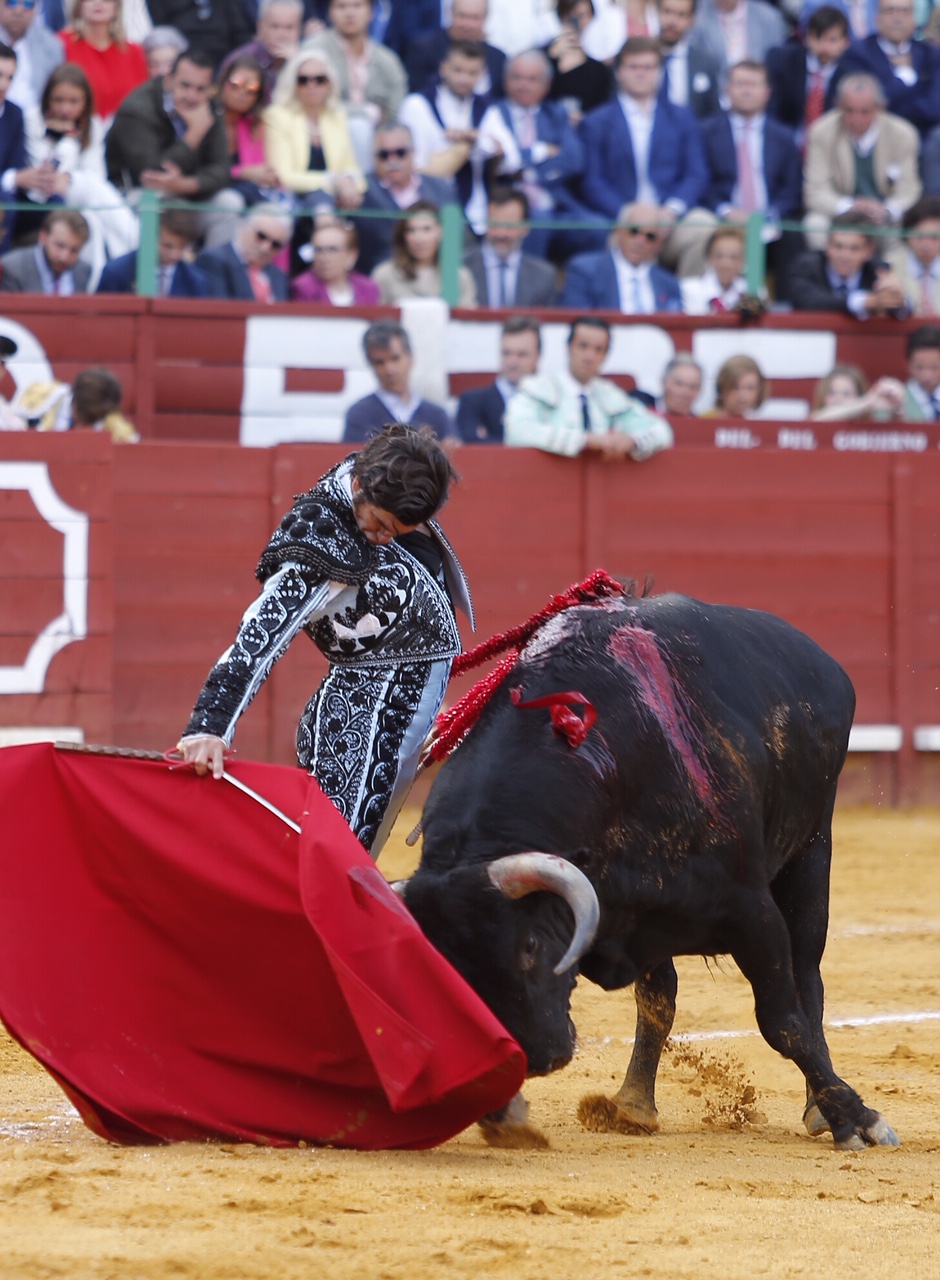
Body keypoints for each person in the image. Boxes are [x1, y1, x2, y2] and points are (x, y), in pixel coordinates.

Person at [178, 426, 471, 857]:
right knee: (337, 860)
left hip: (382, 706)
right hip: (367, 717)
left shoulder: (373, 477)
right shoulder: (319, 547)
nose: (386, 538)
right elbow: (260, 635)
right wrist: (209, 724)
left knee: (336, 855)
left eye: (400, 530)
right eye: (382, 524)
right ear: (359, 485)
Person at [579, 37, 714, 278]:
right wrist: (631, 215)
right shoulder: (596, 121)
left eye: (648, 67)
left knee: (704, 225)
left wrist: (671, 211)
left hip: (669, 220)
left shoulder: (681, 117)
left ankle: (688, 307)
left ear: (660, 72)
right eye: (633, 67)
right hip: (622, 220)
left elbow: (696, 173)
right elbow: (592, 181)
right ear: (619, 72)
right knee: (614, 241)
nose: (641, 74)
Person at [476, 48, 605, 262]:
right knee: (536, 222)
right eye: (517, 78)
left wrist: (525, 171)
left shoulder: (556, 114)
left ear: (546, 85)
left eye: (532, 79)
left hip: (557, 204)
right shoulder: (493, 113)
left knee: (598, 228)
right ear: (505, 80)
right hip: (510, 208)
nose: (523, 85)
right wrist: (541, 151)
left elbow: (574, 160)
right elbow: (500, 163)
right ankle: (534, 290)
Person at [105, 48, 240, 246]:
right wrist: (194, 135)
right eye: (185, 86)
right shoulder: (137, 109)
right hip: (137, 196)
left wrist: (184, 184)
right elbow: (151, 173)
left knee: (229, 203)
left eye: (201, 89)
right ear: (169, 80)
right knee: (150, 198)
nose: (192, 96)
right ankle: (147, 274)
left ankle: (209, 273)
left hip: (187, 193)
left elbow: (222, 169)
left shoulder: (209, 107)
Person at [504, 314, 674, 459]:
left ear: (606, 355)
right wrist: (585, 440)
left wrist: (634, 440)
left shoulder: (609, 395)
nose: (589, 356)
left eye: (598, 349)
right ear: (569, 347)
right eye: (583, 346)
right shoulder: (538, 388)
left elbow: (662, 431)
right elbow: (516, 431)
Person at [24, 63, 138, 278]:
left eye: (73, 101)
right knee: (86, 186)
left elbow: (97, 175)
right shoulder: (32, 120)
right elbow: (48, 178)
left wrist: (69, 174)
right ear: (47, 99)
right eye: (58, 100)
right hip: (42, 199)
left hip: (85, 199)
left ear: (85, 103)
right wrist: (68, 141)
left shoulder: (93, 125)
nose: (65, 109)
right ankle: (138, 244)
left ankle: (93, 286)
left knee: (91, 222)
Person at [699, 59, 803, 270]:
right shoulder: (706, 132)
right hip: (724, 217)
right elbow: (701, 181)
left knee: (794, 240)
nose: (747, 91)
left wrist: (769, 215)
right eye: (740, 84)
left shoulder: (783, 136)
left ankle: (783, 303)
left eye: (753, 85)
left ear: (767, 91)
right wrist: (726, 211)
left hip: (770, 220)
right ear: (727, 89)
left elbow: (792, 189)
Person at [803, 73, 921, 248]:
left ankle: (889, 274)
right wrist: (850, 206)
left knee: (900, 232)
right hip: (839, 213)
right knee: (815, 225)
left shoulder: (902, 134)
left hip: (884, 216)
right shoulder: (821, 131)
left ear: (880, 107)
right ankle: (826, 275)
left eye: (865, 111)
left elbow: (909, 190)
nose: (856, 119)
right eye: (849, 110)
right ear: (838, 105)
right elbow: (815, 190)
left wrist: (886, 210)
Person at [397, 38, 490, 235]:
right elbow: (419, 168)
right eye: (458, 70)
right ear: (444, 68)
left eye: (472, 73)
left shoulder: (485, 107)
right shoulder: (417, 105)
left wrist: (472, 139)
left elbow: (505, 152)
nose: (464, 79)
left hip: (475, 213)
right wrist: (460, 149)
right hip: (426, 210)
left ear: (481, 75)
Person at [305, 0, 408, 171]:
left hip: (377, 141)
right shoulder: (315, 50)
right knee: (358, 125)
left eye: (357, 6)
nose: (349, 13)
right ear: (329, 13)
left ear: (371, 12)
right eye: (342, 6)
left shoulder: (387, 60)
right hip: (321, 134)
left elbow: (395, 111)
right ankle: (367, 188)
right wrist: (366, 112)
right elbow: (312, 103)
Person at [262, 45, 364, 212]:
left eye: (319, 80)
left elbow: (350, 166)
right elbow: (284, 176)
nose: (311, 86)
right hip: (294, 199)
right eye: (303, 80)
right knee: (321, 201)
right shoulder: (277, 115)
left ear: (329, 83)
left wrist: (350, 183)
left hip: (337, 196)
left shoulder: (336, 115)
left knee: (370, 198)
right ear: (293, 83)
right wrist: (333, 181)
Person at [349, 121, 454, 274]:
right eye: (384, 155)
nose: (393, 161)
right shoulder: (361, 190)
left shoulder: (440, 188)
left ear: (413, 152)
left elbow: (454, 241)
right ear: (374, 158)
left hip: (436, 279)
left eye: (400, 153)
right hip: (381, 284)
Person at [828, 0, 940, 138]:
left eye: (904, 11)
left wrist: (890, 104)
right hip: (871, 139)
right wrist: (905, 76)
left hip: (923, 139)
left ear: (913, 19)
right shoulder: (857, 54)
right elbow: (863, 105)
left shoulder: (931, 54)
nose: (897, 18)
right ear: (876, 18)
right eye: (890, 11)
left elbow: (935, 108)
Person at [343, 319, 457, 443]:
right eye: (380, 362)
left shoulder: (437, 416)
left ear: (411, 358)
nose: (389, 370)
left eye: (395, 358)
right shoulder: (360, 415)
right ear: (372, 366)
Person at [560, 201, 682, 312]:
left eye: (649, 237)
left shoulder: (669, 284)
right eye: (633, 231)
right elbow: (578, 324)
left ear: (659, 243)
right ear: (619, 230)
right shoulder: (585, 272)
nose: (640, 241)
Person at [784, 211, 909, 315]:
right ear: (827, 246)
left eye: (854, 248)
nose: (845, 255)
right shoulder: (805, 266)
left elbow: (904, 312)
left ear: (869, 251)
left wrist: (898, 301)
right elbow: (811, 301)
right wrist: (864, 301)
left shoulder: (879, 270)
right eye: (838, 246)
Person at [766, 6, 850, 149]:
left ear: (845, 43)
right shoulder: (783, 62)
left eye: (832, 40)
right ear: (807, 38)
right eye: (818, 38)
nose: (824, 47)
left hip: (830, 151)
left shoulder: (851, 74)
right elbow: (772, 112)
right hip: (786, 147)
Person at [463, 187, 557, 308]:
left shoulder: (543, 275)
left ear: (525, 228)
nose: (501, 233)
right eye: (495, 225)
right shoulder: (461, 267)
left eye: (509, 226)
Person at [371, 198, 476, 305]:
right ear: (403, 235)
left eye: (427, 229)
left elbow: (469, 318)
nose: (419, 239)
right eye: (411, 230)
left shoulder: (460, 277)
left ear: (441, 231)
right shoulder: (385, 275)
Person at [57, 0, 148, 122]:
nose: (98, 3)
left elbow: (143, 99)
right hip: (78, 131)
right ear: (79, 5)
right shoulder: (61, 44)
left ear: (116, 7)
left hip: (125, 132)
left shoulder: (135, 52)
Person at [456, 314, 541, 442]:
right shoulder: (473, 402)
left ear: (538, 356)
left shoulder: (551, 402)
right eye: (506, 353)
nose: (512, 361)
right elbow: (471, 445)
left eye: (522, 354)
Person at [216, 53, 283, 205]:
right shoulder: (207, 117)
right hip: (214, 193)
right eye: (236, 84)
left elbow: (260, 170)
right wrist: (243, 172)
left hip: (249, 194)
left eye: (252, 89)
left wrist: (268, 175)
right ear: (223, 82)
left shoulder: (255, 124)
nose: (242, 93)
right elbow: (202, 170)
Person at [404, 0, 505, 98]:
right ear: (450, 13)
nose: (467, 24)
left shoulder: (498, 58)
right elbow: (417, 92)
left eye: (475, 18)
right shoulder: (423, 49)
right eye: (462, 16)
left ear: (486, 18)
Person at [97, 206, 207, 295]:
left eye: (182, 248)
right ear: (149, 237)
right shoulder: (116, 272)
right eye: (167, 246)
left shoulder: (194, 281)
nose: (175, 255)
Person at [196, 202, 291, 301]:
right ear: (246, 227)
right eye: (261, 236)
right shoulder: (214, 261)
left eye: (275, 244)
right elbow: (219, 310)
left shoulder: (278, 276)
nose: (265, 248)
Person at [217, 0, 303, 106]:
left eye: (289, 27)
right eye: (275, 26)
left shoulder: (307, 64)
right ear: (260, 27)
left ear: (300, 29)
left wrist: (295, 65)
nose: (282, 35)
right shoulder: (240, 60)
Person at [691, 0, 788, 89]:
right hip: (715, 91)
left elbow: (775, 65)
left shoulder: (768, 17)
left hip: (759, 93)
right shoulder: (697, 17)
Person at [545, 0, 613, 122]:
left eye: (582, 15)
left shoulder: (598, 70)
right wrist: (551, 60)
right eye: (570, 15)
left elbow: (603, 109)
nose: (577, 21)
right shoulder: (543, 58)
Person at [656, 0, 722, 119]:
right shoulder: (638, 57)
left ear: (692, 20)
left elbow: (713, 114)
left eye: (681, 15)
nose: (672, 21)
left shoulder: (705, 63)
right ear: (656, 12)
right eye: (667, 12)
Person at [0, 207, 91, 292]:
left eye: (74, 250)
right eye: (60, 246)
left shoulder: (83, 271)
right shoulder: (12, 267)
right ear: (43, 236)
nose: (64, 257)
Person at [291, 216, 379, 302]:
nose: (324, 258)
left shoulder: (368, 288)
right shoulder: (302, 287)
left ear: (351, 256)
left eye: (332, 250)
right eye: (319, 250)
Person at [143, 0, 252, 69]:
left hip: (224, 63)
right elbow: (161, 33)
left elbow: (241, 34)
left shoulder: (226, 3)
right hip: (182, 59)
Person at [0, 0, 63, 115]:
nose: (18, 11)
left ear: (37, 8)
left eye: (28, 4)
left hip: (36, 125)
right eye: (11, 2)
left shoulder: (51, 46)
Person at [885, 196, 940, 315]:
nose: (926, 245)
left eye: (934, 237)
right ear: (907, 235)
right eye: (920, 236)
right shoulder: (889, 266)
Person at [680, 224, 753, 312]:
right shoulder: (689, 289)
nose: (726, 264)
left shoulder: (751, 291)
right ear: (710, 257)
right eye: (719, 256)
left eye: (734, 257)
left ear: (743, 260)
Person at [809, 363, 904, 419]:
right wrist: (868, 402)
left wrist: (896, 407)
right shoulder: (816, 419)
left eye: (846, 394)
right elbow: (817, 419)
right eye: (831, 393)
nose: (838, 399)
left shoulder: (869, 428)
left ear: (859, 395)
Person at [900, 324, 940, 419]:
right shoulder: (897, 402)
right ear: (908, 365)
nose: (927, 376)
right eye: (920, 367)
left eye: (934, 367)